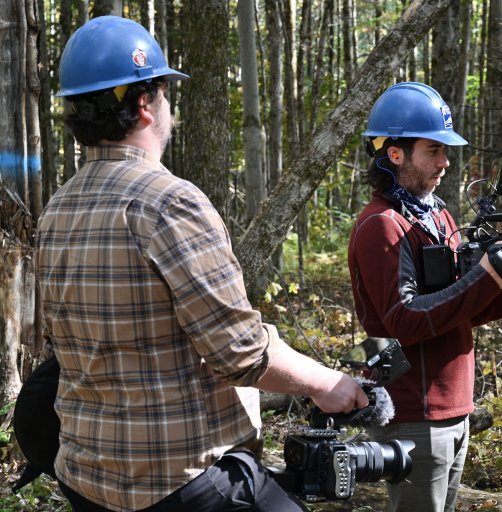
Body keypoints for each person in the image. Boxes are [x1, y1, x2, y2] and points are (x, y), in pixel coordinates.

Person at [36, 16, 368, 512]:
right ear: (146, 104)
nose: (170, 105)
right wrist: (330, 384)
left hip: (85, 475)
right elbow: (240, 353)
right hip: (179, 481)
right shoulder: (169, 203)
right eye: (166, 93)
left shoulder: (57, 208)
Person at [348, 82, 502, 512]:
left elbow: (461, 310)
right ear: (395, 154)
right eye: (433, 151)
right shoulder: (381, 225)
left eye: (446, 151)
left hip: (454, 408)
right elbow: (404, 319)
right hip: (414, 412)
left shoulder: (435, 213)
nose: (445, 162)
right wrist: (486, 277)